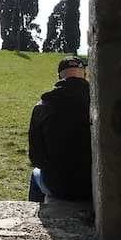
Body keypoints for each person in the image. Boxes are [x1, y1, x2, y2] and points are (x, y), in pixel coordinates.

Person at [27, 55, 92, 202]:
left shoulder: (42, 106)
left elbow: (36, 158)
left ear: (59, 76)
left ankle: (39, 219)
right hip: (94, 183)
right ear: (85, 75)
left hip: (57, 185)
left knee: (35, 175)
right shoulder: (98, 103)